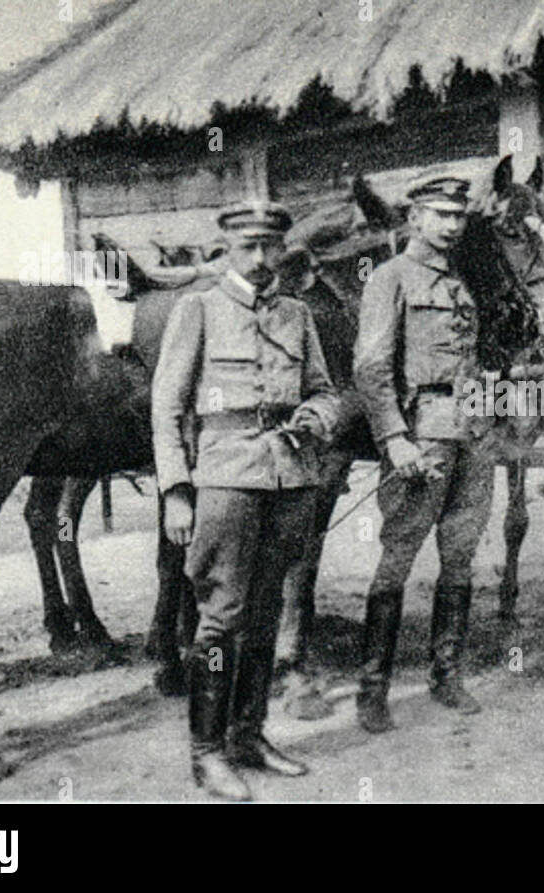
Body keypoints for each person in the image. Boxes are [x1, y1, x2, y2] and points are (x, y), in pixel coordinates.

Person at [151, 199, 346, 801]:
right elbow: (168, 407)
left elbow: (324, 391)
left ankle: (249, 735)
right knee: (221, 617)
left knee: (265, 614)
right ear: (229, 250)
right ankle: (207, 753)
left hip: (289, 479)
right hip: (226, 480)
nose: (262, 259)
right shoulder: (199, 309)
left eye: (271, 247)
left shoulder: (297, 314)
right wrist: (177, 492)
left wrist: (315, 417)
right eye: (249, 248)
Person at [352, 171, 495, 734]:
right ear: (414, 218)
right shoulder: (390, 279)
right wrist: (394, 438)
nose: (453, 224)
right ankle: (372, 689)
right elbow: (370, 367)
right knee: (398, 557)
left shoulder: (460, 283)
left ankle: (446, 674)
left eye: (459, 215)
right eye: (441, 214)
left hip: (471, 433)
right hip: (421, 436)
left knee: (459, 555)